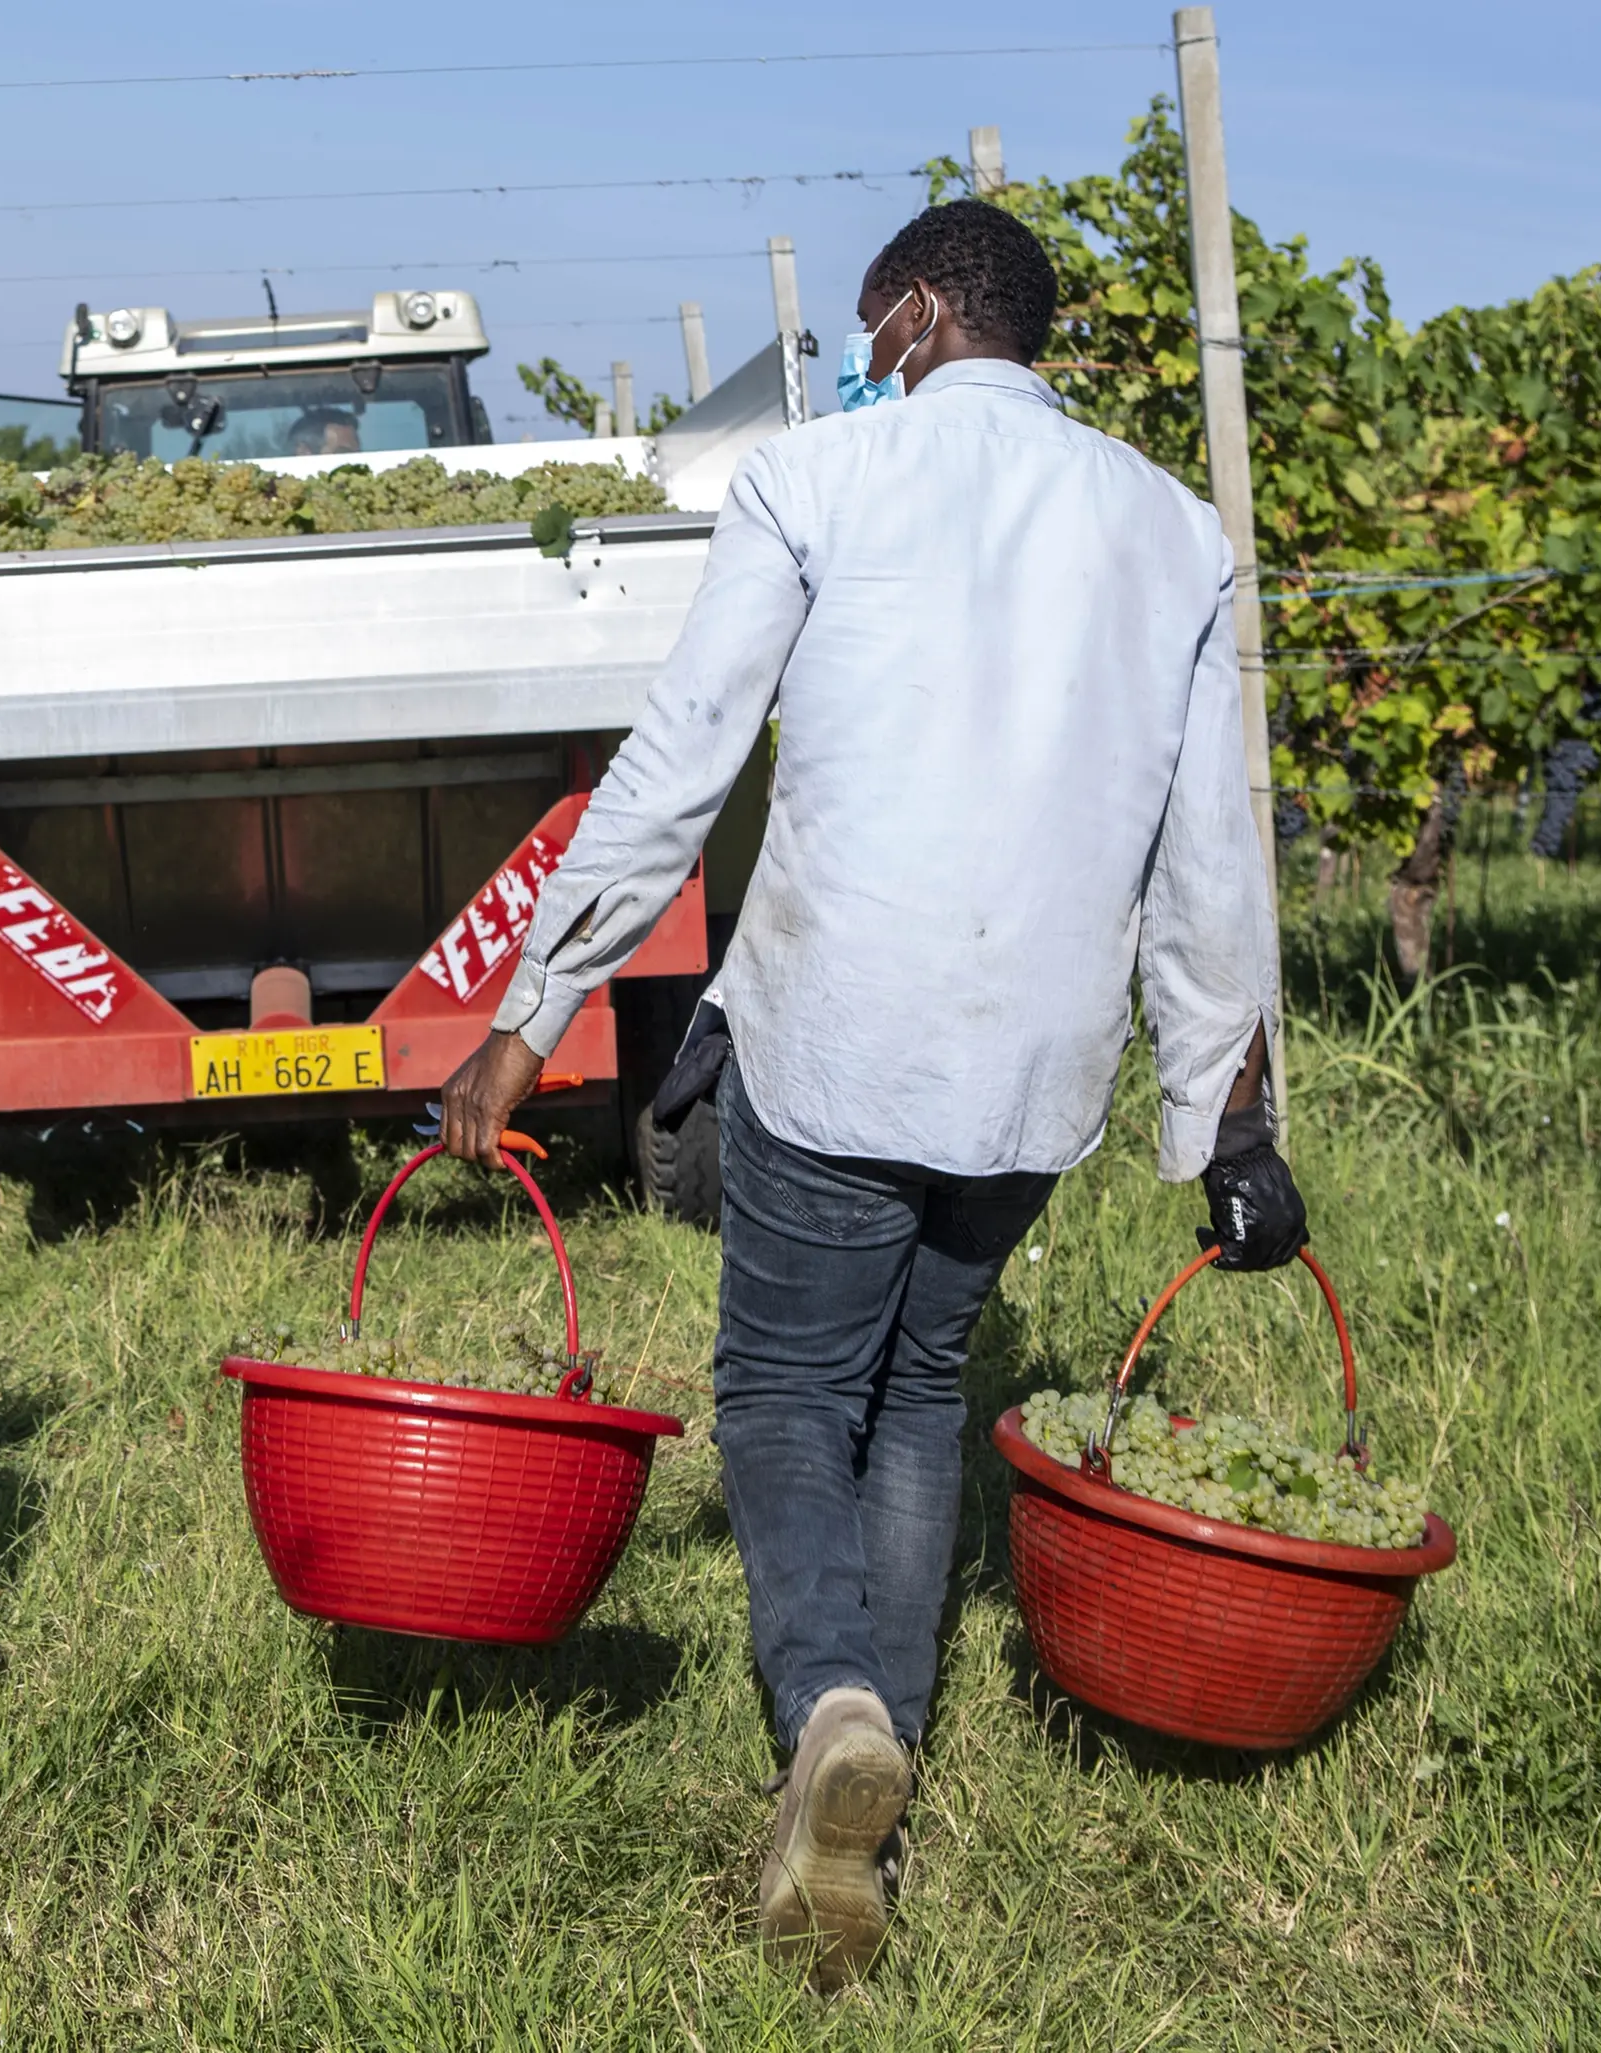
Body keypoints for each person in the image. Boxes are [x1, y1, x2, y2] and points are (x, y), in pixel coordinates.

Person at [436, 198, 1305, 1994]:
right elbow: (1213, 858)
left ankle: (832, 1706)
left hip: (836, 1039)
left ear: (915, 315)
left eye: (866, 324)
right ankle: (870, 1807)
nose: (859, 355)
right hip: (1033, 1075)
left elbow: (679, 766)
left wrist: (530, 1015)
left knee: (779, 1395)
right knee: (918, 1397)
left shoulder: (814, 484)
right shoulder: (1174, 529)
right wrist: (1225, 1119)